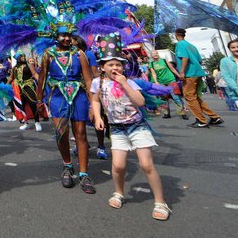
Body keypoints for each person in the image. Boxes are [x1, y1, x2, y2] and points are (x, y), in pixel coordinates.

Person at [90, 34, 171, 221]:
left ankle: (160, 202)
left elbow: (141, 102)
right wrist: (97, 117)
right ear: (102, 67)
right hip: (117, 128)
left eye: (118, 64)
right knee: (118, 165)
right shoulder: (97, 83)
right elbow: (94, 99)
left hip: (137, 126)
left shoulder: (130, 82)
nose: (115, 68)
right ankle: (119, 192)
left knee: (146, 164)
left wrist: (125, 83)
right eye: (110, 64)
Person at [38, 28, 95, 194]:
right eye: (63, 36)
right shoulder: (48, 54)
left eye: (69, 36)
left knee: (81, 133)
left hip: (78, 95)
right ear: (56, 37)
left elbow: (88, 79)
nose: (67, 39)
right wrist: (39, 100)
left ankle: (84, 174)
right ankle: (67, 165)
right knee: (61, 132)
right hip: (57, 96)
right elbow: (42, 78)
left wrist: (93, 104)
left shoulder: (79, 54)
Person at [174, 28, 223, 128]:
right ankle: (214, 117)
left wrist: (182, 71)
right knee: (195, 97)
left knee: (190, 97)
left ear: (176, 35)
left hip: (189, 74)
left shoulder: (180, 44)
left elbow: (185, 57)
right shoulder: (191, 45)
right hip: (197, 73)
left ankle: (201, 120)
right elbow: (199, 60)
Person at [148, 50, 187, 120]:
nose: (155, 54)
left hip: (171, 80)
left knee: (176, 97)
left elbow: (172, 68)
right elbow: (153, 73)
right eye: (154, 54)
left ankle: (182, 113)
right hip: (161, 82)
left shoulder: (164, 60)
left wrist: (179, 75)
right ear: (151, 56)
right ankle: (166, 113)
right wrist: (156, 82)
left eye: (156, 53)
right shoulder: (151, 64)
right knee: (163, 98)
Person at [8, 52, 42, 133]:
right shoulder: (15, 68)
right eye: (21, 56)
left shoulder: (29, 65)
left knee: (33, 103)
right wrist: (5, 87)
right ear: (17, 58)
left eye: (24, 55)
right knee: (22, 106)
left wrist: (41, 82)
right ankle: (26, 122)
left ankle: (37, 122)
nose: (23, 57)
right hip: (19, 88)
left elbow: (34, 74)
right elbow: (11, 78)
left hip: (29, 86)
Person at [218, 39, 238, 111]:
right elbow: (226, 76)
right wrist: (236, 89)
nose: (236, 49)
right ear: (229, 49)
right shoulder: (225, 61)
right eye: (233, 47)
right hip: (235, 92)